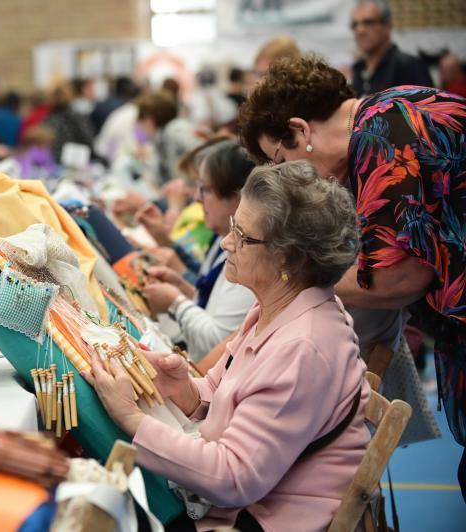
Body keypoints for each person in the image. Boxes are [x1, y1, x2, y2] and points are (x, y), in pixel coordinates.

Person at [89, 161, 369, 531]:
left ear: (290, 257)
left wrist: (131, 419)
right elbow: (224, 396)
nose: (226, 243)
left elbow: (234, 477)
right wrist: (185, 390)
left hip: (263, 519)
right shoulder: (274, 307)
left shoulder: (304, 347)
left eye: (243, 235)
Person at [239, 55, 466, 498]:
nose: (286, 176)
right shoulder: (386, 116)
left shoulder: (382, 133)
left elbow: (398, 277)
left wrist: (292, 280)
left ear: (302, 131)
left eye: (280, 159)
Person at [142, 140, 256, 361]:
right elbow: (212, 305)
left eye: (204, 189)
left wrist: (176, 302)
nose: (195, 198)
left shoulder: (250, 255)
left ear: (236, 197)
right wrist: (183, 287)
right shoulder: (221, 239)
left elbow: (217, 344)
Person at [350, 0, 432, 97]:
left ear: (387, 26)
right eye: (355, 25)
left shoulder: (409, 66)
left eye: (368, 23)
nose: (360, 30)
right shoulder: (358, 68)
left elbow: (428, 109)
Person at [44, 82, 95, 164]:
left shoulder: (48, 121)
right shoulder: (78, 117)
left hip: (55, 163)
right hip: (79, 161)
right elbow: (88, 140)